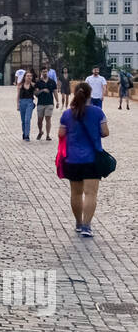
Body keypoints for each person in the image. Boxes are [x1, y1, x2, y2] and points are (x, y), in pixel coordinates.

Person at [58, 81, 109, 238]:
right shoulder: (97, 112)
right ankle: (87, 226)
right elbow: (105, 132)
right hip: (92, 159)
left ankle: (78, 224)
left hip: (72, 160)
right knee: (90, 193)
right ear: (90, 94)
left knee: (76, 193)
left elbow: (60, 134)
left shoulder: (67, 114)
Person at [35, 71, 57, 139]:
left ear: (47, 72)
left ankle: (48, 135)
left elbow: (55, 92)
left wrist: (58, 101)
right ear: (41, 73)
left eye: (46, 72)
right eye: (43, 72)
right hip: (40, 103)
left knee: (48, 119)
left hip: (49, 103)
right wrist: (42, 90)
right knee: (39, 121)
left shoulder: (52, 81)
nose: (45, 73)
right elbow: (36, 93)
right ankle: (40, 131)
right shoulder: (38, 82)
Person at [17, 70, 36, 140]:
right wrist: (17, 105)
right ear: (24, 77)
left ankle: (27, 135)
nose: (29, 77)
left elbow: (36, 93)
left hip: (30, 103)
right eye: (28, 76)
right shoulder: (20, 85)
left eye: (30, 76)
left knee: (27, 119)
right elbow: (18, 96)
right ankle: (24, 132)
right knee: (23, 120)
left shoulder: (33, 85)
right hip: (22, 103)